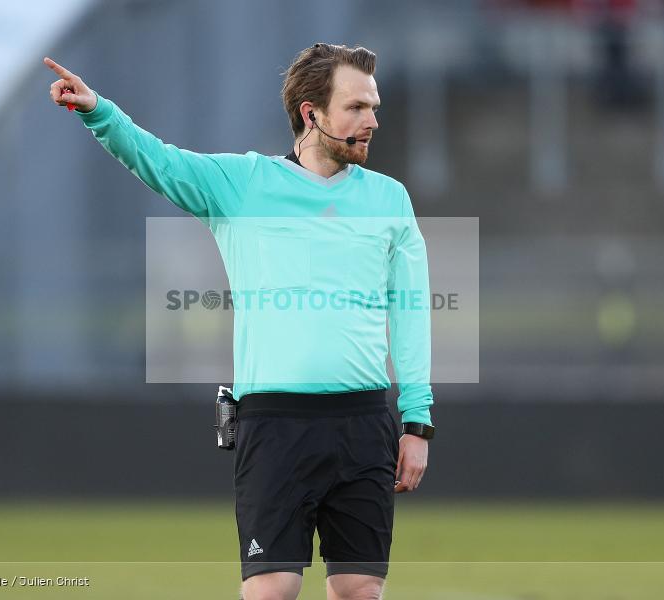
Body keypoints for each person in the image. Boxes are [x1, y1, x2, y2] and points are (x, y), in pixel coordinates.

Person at [44, 42, 434, 600]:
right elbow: (159, 161)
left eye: (374, 106)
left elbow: (412, 310)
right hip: (274, 423)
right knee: (271, 589)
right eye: (356, 107)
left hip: (362, 423)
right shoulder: (243, 185)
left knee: (359, 589)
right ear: (311, 112)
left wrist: (417, 421)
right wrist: (98, 112)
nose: (372, 120)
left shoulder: (390, 200)